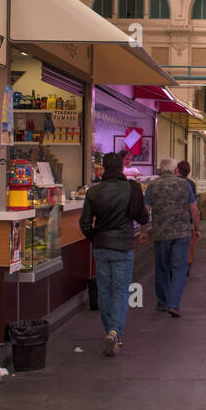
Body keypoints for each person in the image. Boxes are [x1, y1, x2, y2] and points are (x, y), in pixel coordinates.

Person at [79, 152, 148, 356]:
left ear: (103, 168)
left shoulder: (93, 191)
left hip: (101, 247)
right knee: (121, 292)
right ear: (121, 169)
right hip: (123, 246)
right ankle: (115, 331)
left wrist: (95, 238)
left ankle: (110, 331)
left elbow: (84, 223)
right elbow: (141, 215)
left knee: (104, 291)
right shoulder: (131, 188)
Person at [145, 158, 201, 317]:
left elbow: (145, 210)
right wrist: (197, 228)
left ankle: (162, 303)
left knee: (161, 268)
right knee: (179, 269)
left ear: (160, 171)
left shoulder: (152, 186)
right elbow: (194, 209)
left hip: (161, 233)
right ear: (175, 170)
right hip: (181, 233)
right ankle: (174, 304)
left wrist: (143, 231)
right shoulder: (184, 185)